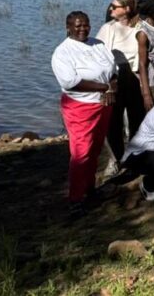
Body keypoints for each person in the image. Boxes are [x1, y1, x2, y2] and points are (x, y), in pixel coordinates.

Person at [51, 11, 118, 211]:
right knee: (81, 152)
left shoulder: (98, 44)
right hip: (79, 107)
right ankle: (76, 199)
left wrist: (111, 87)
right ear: (68, 27)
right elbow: (70, 82)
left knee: (95, 148)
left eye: (86, 25)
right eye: (78, 25)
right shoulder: (63, 52)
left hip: (103, 104)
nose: (83, 29)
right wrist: (104, 87)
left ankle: (89, 188)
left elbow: (113, 70)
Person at [96, 0, 143, 167]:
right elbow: (99, 56)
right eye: (111, 6)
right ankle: (116, 158)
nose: (111, 9)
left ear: (127, 9)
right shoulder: (108, 28)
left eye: (115, 7)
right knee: (114, 120)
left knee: (137, 118)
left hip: (136, 78)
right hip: (115, 79)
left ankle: (135, 155)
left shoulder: (141, 27)